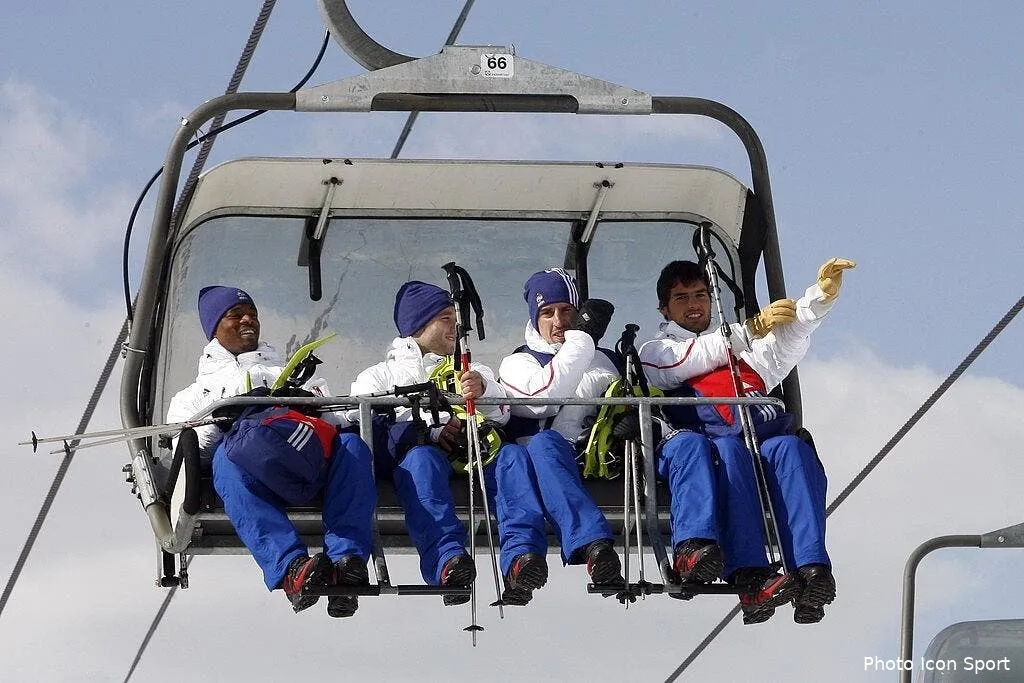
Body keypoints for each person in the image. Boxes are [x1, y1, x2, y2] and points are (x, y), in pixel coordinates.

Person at [639, 257, 855, 624]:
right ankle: (749, 571)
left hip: (763, 439)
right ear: (665, 308)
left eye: (700, 295)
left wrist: (818, 300)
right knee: (729, 452)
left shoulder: (743, 351)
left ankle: (810, 570)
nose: (694, 305)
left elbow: (785, 340)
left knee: (792, 450)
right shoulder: (659, 350)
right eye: (681, 298)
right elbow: (685, 363)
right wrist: (747, 330)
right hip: (718, 443)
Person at [166, 285, 375, 618]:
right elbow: (190, 449)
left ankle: (345, 562)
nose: (248, 319)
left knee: (351, 446)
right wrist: (226, 418)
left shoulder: (288, 372)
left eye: (252, 314)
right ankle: (291, 567)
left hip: (305, 459)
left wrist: (308, 405)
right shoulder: (192, 396)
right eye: (236, 315)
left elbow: (335, 422)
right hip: (256, 471)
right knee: (226, 458)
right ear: (215, 328)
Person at [348, 280, 510, 606]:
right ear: (420, 324)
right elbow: (355, 412)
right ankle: (448, 562)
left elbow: (503, 412)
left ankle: (522, 558)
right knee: (422, 461)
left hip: (472, 456)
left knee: (513, 459)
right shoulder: (381, 375)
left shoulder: (469, 368)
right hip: (418, 459)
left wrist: (482, 390)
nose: (456, 327)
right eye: (447, 319)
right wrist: (424, 425)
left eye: (456, 319)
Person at [497, 268, 623, 606]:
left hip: (599, 460)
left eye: (567, 311)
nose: (558, 321)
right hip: (540, 463)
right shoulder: (518, 362)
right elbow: (542, 399)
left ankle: (596, 555)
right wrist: (581, 341)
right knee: (533, 448)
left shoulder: (609, 360)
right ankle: (573, 549)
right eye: (547, 313)